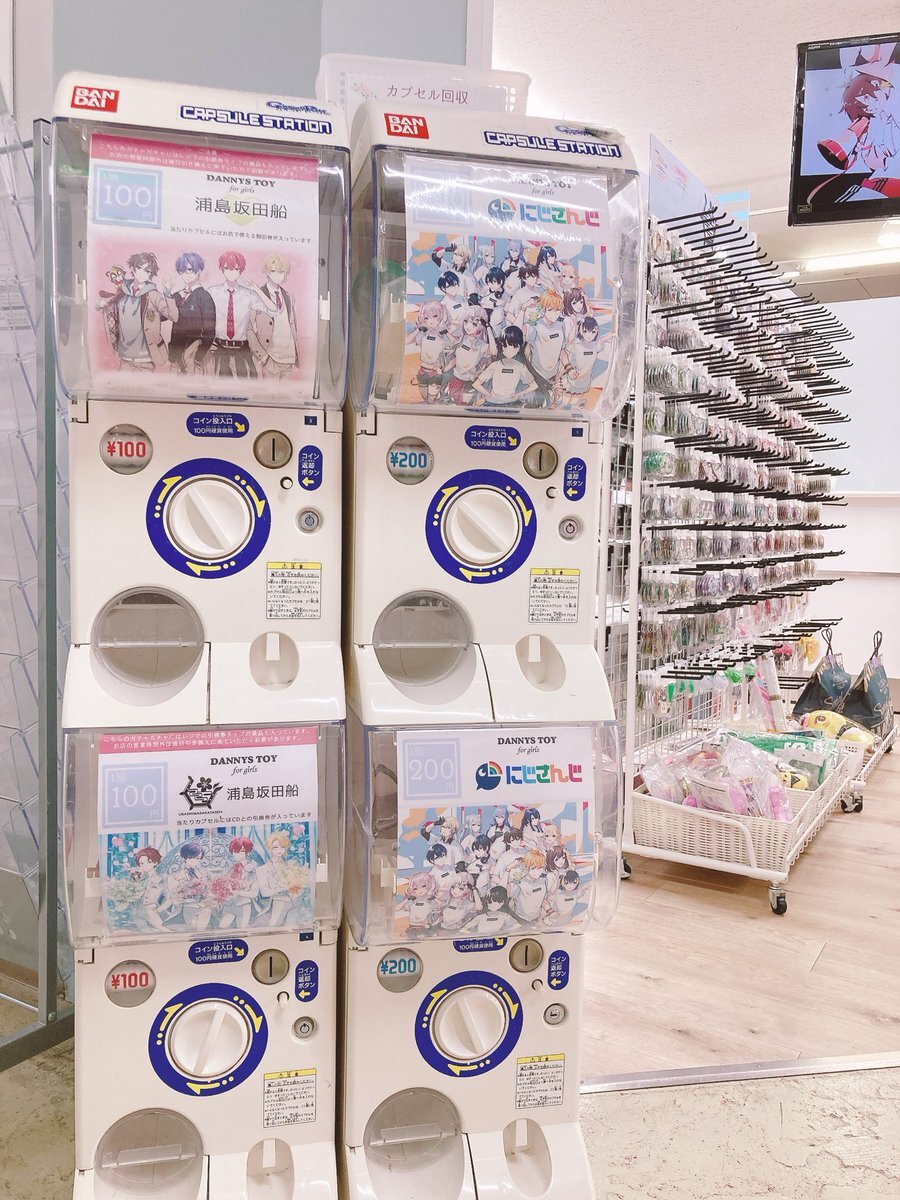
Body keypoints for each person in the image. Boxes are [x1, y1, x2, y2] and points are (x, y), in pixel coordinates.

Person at [101, 251, 177, 371]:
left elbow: (173, 316)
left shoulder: (153, 294)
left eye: (148, 271)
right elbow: (112, 314)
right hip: (125, 357)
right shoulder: (122, 291)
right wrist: (104, 306)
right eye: (141, 269)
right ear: (133, 268)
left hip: (146, 358)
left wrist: (167, 293)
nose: (144, 274)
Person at [206, 250, 277, 378]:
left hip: (242, 350)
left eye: (235, 269)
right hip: (219, 349)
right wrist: (207, 342)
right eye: (227, 268)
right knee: (220, 385)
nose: (231, 272)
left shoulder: (248, 294)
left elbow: (273, 311)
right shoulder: (213, 292)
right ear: (222, 269)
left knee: (247, 383)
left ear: (240, 270)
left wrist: (256, 289)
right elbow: (203, 319)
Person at [250, 253, 301, 379]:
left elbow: (292, 325)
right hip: (270, 357)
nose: (277, 275)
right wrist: (262, 356)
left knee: (286, 391)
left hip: (289, 357)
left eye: (281, 272)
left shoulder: (289, 297)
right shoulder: (257, 295)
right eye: (273, 271)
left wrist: (295, 353)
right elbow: (248, 328)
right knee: (270, 391)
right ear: (267, 271)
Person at [167, 252, 215, 374]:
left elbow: (210, 331)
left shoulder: (204, 297)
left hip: (194, 358)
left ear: (198, 270)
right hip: (176, 358)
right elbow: (165, 316)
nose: (186, 274)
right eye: (182, 271)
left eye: (189, 270)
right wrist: (167, 293)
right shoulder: (177, 295)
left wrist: (198, 356)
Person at [472, 325, 537, 408]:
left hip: (512, 403)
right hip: (493, 403)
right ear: (502, 346)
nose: (509, 349)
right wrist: (489, 395)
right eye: (505, 346)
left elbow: (534, 386)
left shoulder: (520, 367)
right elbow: (476, 384)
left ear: (518, 348)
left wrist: (518, 394)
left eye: (514, 346)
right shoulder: (495, 365)